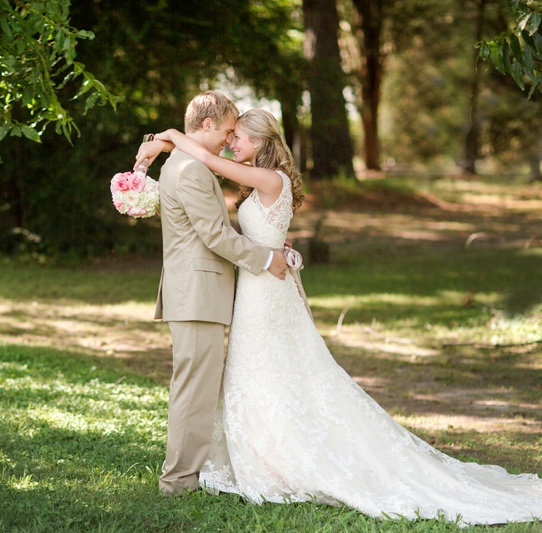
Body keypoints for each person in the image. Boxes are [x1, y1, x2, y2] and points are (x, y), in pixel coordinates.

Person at [135, 107, 542, 526]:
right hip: (257, 285)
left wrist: (166, 137)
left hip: (266, 288)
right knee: (257, 373)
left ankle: (282, 461)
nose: (231, 142)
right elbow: (233, 204)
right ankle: (264, 457)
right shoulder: (255, 183)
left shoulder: (268, 178)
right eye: (229, 134)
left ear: (259, 143)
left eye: (237, 137)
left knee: (277, 370)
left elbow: (209, 161)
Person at [148, 91, 289, 497]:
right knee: (194, 389)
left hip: (198, 290)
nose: (230, 138)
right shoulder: (190, 169)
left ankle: (184, 475)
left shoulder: (185, 162)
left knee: (195, 385)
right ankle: (177, 481)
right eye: (228, 129)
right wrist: (265, 258)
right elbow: (214, 235)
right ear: (206, 125)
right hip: (197, 291)